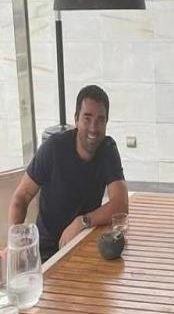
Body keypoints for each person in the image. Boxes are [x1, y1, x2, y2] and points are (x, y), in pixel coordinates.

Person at [8, 85, 128, 262]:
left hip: (85, 243)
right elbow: (22, 197)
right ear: (76, 119)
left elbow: (121, 204)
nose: (93, 128)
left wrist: (83, 221)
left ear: (106, 123)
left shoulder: (107, 150)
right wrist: (16, 246)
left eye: (100, 120)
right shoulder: (53, 149)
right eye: (87, 118)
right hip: (48, 254)